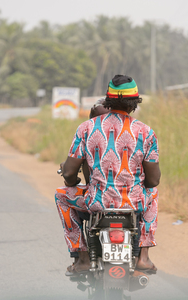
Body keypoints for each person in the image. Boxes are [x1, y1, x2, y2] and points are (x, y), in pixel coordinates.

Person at [55, 75, 160, 275]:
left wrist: (73, 180)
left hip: (96, 202)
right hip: (134, 203)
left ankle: (82, 258)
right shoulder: (146, 132)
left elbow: (69, 172)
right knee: (153, 193)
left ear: (107, 100)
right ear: (135, 102)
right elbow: (154, 180)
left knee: (61, 195)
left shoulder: (86, 128)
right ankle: (143, 258)